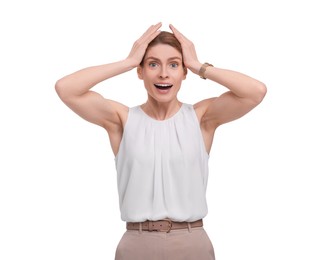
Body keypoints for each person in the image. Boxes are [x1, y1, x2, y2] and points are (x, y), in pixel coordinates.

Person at [55, 22, 267, 260]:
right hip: (137, 244)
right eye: (153, 64)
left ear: (184, 72)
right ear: (140, 71)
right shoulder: (122, 120)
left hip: (191, 242)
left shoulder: (201, 118)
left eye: (174, 65)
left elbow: (255, 92)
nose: (163, 73)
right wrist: (127, 61)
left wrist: (198, 65)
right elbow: (66, 89)